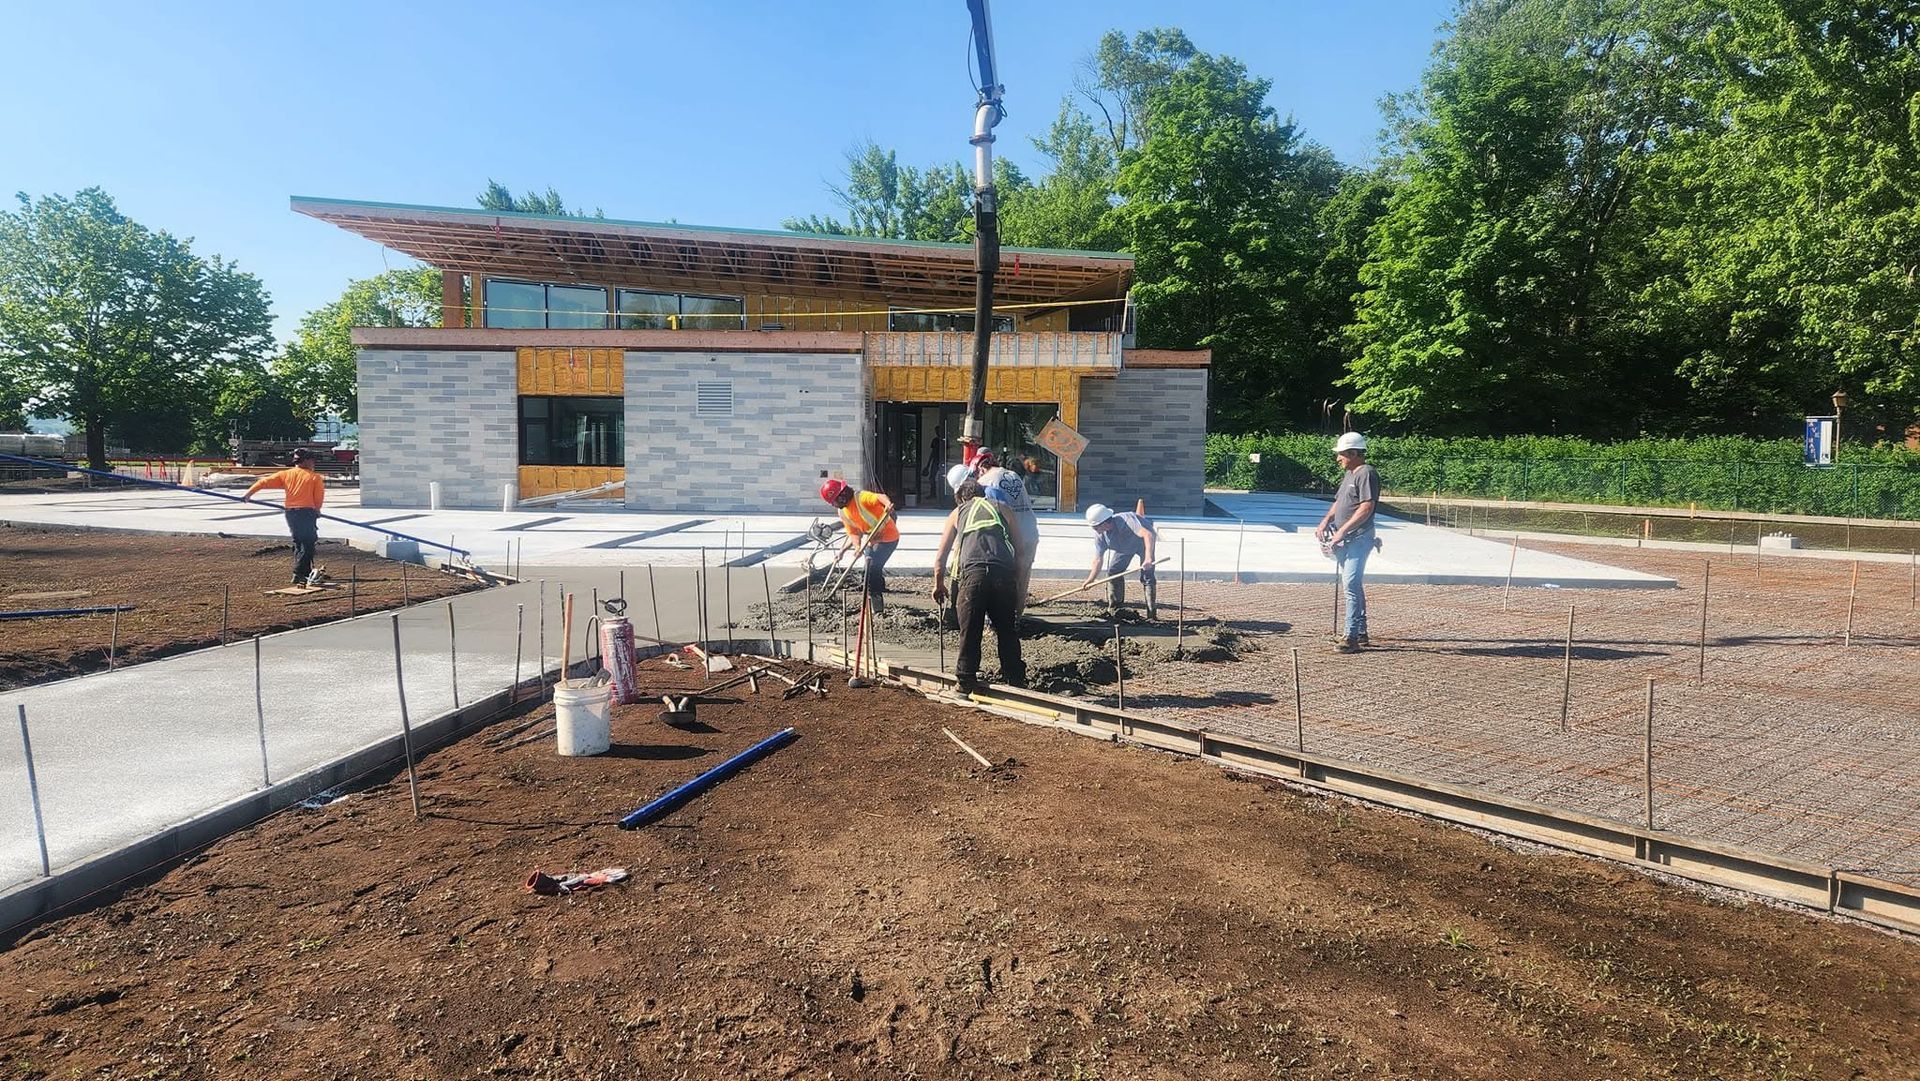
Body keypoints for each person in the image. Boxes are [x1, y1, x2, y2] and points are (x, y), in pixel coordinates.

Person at [931, 478, 1030, 690]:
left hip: (973, 575)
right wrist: (1018, 583)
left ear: (961, 498)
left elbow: (941, 556)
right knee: (1006, 628)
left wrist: (938, 584)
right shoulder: (1002, 508)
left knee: (970, 628)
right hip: (1003, 573)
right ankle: (1015, 678)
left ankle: (965, 680)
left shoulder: (957, 512)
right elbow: (1021, 552)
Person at [948, 448, 1039, 617]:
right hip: (1030, 532)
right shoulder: (1011, 474)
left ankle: (999, 618)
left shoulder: (986, 483)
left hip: (1013, 535)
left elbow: (996, 513)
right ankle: (1016, 617)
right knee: (1022, 577)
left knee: (1005, 578)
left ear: (980, 468)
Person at [1314, 431, 1381, 651]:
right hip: (1347, 538)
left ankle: (1350, 637)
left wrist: (1342, 530)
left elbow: (1366, 507)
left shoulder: (1366, 473)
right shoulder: (1350, 474)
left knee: (1350, 584)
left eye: (1341, 454)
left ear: (1354, 453)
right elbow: (1339, 502)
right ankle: (1360, 632)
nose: (1338, 458)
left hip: (1359, 538)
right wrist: (1326, 521)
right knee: (1353, 584)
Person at [245, 448, 327, 586]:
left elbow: (263, 482)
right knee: (308, 544)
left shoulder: (286, 474)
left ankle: (305, 572)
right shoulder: (314, 477)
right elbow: (318, 497)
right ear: (306, 461)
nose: (314, 463)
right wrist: (317, 510)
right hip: (306, 512)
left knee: (298, 542)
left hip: (290, 513)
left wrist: (248, 494)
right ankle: (298, 573)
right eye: (312, 460)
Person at [818, 478, 899, 612]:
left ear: (842, 496)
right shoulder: (843, 512)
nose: (835, 505)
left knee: (871, 568)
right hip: (872, 538)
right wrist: (856, 547)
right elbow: (854, 533)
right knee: (869, 568)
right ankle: (877, 586)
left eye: (834, 502)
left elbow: (880, 497)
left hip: (889, 537)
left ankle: (877, 606)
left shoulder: (860, 498)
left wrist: (887, 504)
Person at [1081, 502, 1158, 618]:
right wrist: (1091, 579)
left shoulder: (1127, 520)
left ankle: (1151, 614)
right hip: (1124, 548)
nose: (1094, 530)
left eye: (1095, 527)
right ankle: (1116, 609)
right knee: (1113, 572)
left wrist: (1148, 558)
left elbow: (1148, 535)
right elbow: (1098, 559)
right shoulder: (1100, 536)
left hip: (1143, 544)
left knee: (1147, 576)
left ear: (1105, 523)